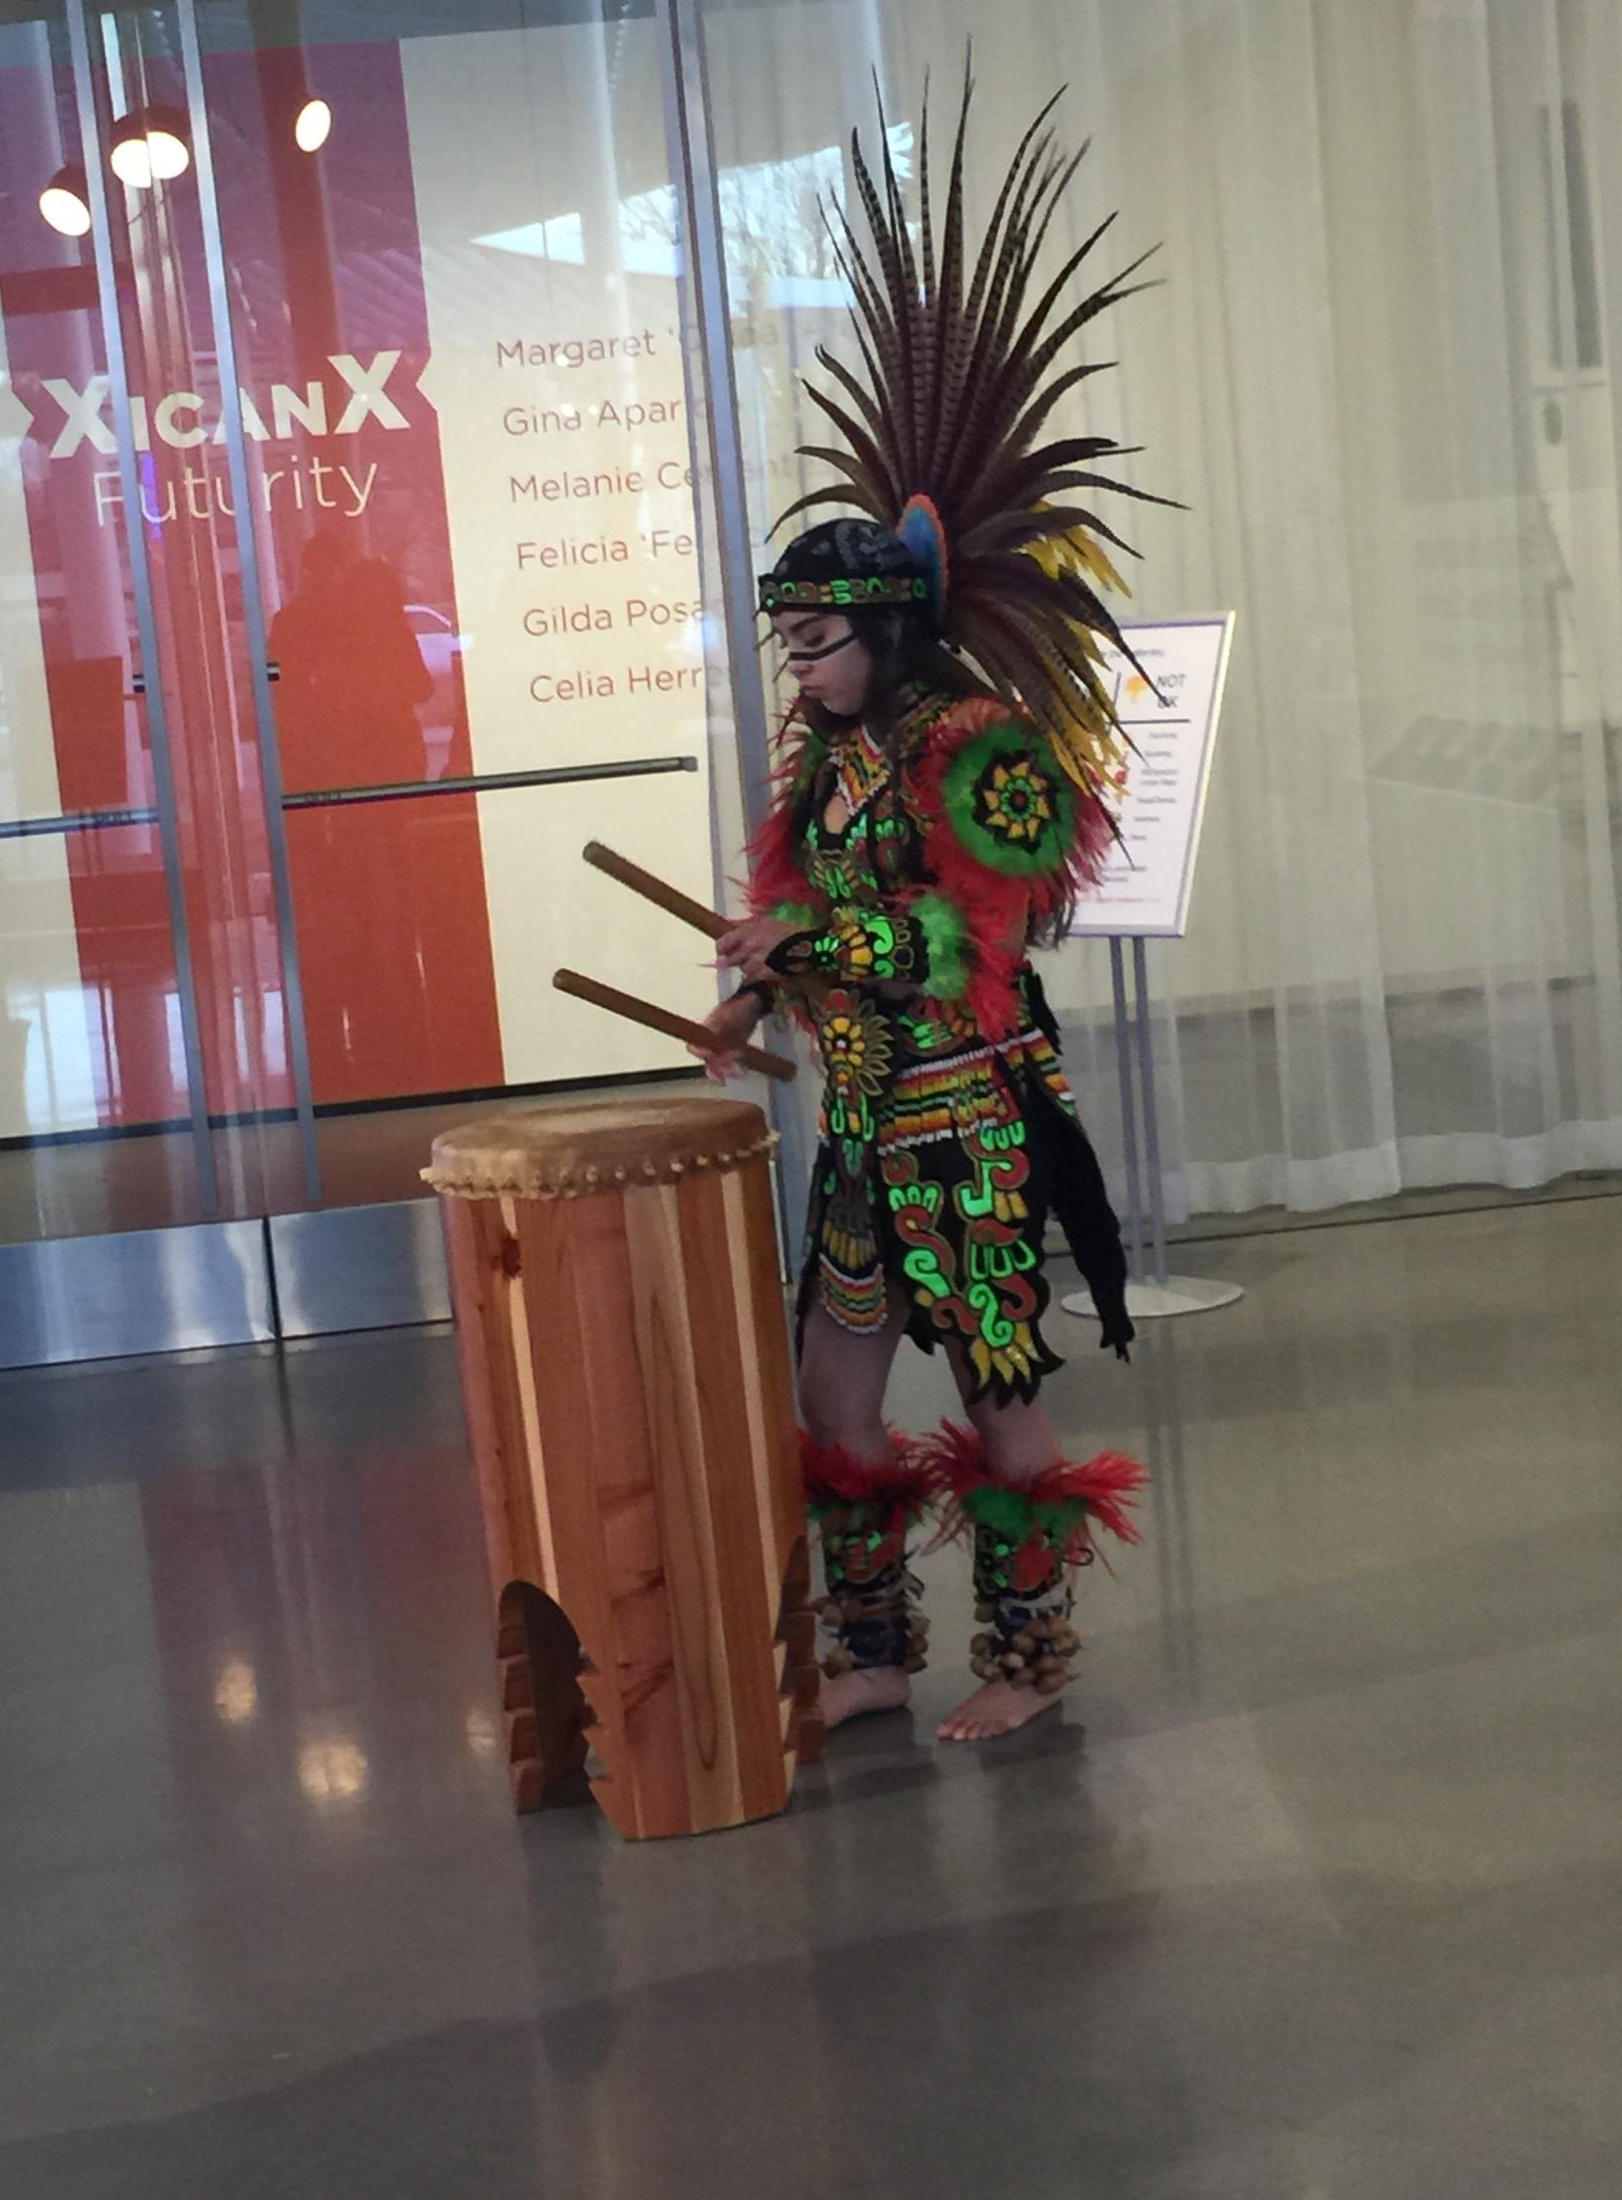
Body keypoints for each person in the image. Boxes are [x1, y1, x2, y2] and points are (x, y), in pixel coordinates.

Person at [691, 79, 1167, 1742]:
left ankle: (1022, 1668)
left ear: (888, 631)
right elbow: (799, 904)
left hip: (965, 1124)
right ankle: (877, 1650)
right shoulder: (824, 765)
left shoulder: (982, 754)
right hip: (863, 1123)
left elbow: (973, 944)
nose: (798, 664)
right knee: (831, 1395)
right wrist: (757, 992)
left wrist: (809, 950)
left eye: (817, 638)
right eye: (790, 640)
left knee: (998, 1394)